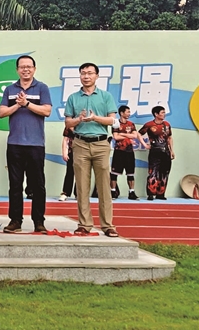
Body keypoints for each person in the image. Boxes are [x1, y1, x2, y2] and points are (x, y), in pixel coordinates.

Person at [64, 63, 119, 237]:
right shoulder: (73, 97)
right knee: (82, 186)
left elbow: (112, 121)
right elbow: (68, 122)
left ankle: (108, 225)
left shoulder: (105, 96)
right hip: (80, 143)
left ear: (97, 76)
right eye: (83, 73)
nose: (86, 76)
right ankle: (84, 224)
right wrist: (78, 120)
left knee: (104, 186)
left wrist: (95, 117)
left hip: (101, 144)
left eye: (89, 73)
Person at [0, 55, 52, 234]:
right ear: (17, 70)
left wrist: (27, 103)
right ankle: (15, 221)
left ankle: (39, 221)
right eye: (22, 67)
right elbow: (1, 112)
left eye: (29, 66)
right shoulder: (10, 89)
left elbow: (47, 110)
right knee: (15, 184)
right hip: (15, 143)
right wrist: (18, 105)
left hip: (36, 144)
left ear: (34, 69)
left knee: (37, 184)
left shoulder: (42, 88)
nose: (25, 69)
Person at [111, 105, 148, 200]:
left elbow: (135, 135)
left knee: (130, 173)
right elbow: (116, 137)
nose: (129, 113)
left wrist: (122, 134)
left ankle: (131, 192)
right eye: (127, 112)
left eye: (129, 112)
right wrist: (128, 135)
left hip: (129, 151)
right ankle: (113, 191)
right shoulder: (116, 124)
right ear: (121, 113)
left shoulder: (131, 124)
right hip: (119, 151)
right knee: (114, 173)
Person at [139, 105, 175, 200]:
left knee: (164, 173)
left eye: (164, 112)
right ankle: (151, 193)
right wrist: (145, 144)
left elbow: (170, 138)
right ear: (156, 114)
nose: (164, 114)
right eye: (162, 112)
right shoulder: (149, 125)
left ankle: (161, 194)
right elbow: (138, 134)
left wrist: (172, 151)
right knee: (153, 173)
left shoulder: (167, 124)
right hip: (155, 152)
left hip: (165, 152)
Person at [58, 126, 76, 201]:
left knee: (83, 173)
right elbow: (65, 140)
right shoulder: (69, 125)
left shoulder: (86, 124)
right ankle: (65, 192)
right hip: (72, 152)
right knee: (69, 172)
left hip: (84, 152)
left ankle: (79, 193)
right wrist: (64, 152)